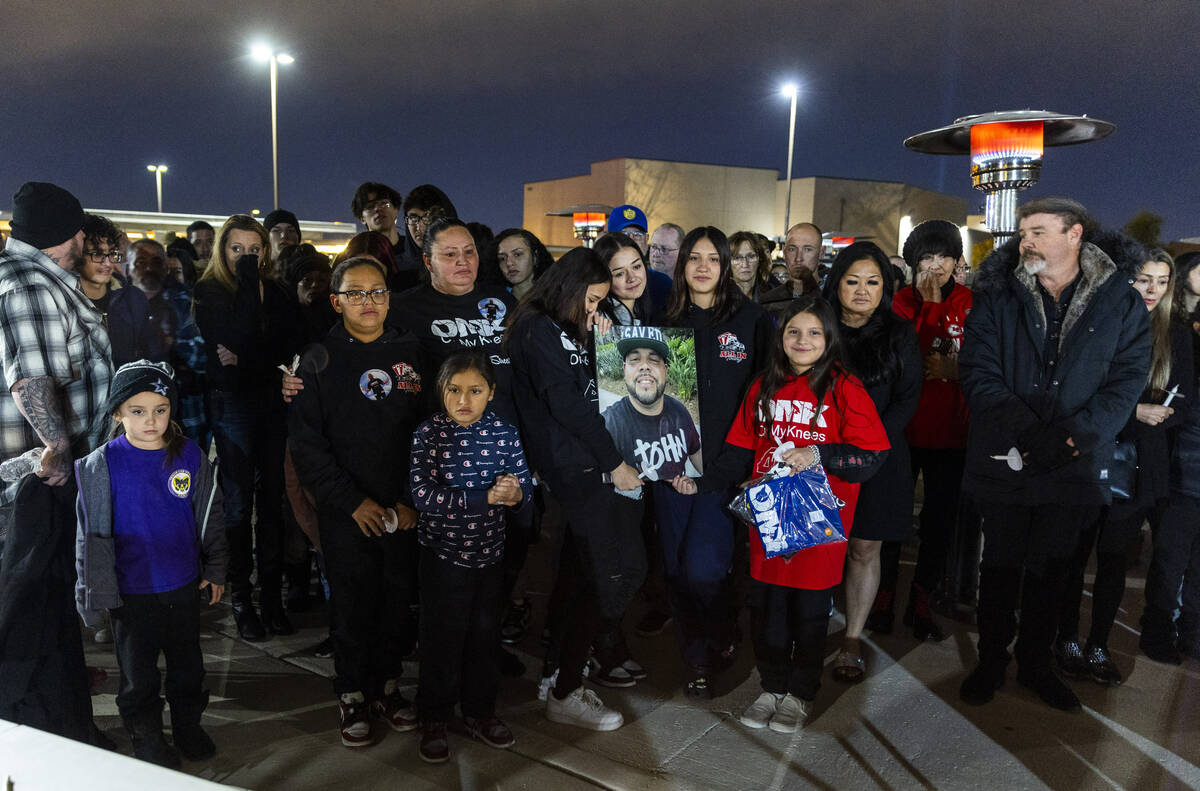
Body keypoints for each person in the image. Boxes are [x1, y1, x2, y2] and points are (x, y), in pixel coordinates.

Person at [958, 198, 1150, 712]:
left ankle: (1037, 665)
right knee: (999, 568)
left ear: (1075, 235)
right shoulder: (996, 294)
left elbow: (1126, 382)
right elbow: (978, 373)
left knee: (1053, 572)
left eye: (1039, 231)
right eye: (1024, 233)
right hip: (1006, 458)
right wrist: (1030, 433)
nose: (1027, 242)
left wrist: (1069, 438)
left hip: (1073, 466)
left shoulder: (1120, 301)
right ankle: (992, 659)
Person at [696, 296, 888, 732]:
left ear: (829, 339)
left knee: (809, 611)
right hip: (770, 519)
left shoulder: (844, 387)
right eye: (793, 332)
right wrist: (702, 479)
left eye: (813, 332)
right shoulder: (763, 385)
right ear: (780, 338)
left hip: (818, 522)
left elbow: (872, 455)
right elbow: (741, 448)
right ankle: (771, 687)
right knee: (767, 609)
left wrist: (817, 453)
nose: (803, 341)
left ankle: (800, 694)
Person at [288, 255, 426, 749]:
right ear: (336, 301)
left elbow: (431, 430)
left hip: (403, 507)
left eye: (377, 292)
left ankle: (387, 687)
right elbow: (307, 445)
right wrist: (351, 502)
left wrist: (411, 499)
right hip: (346, 509)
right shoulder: (317, 359)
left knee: (395, 599)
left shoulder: (412, 350)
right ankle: (350, 692)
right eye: (355, 293)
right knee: (351, 601)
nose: (368, 302)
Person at [505, 247, 644, 731]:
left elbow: (598, 388)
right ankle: (565, 690)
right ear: (568, 287)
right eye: (591, 300)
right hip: (577, 465)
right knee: (598, 575)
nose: (593, 310)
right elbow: (565, 402)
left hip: (583, 462)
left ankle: (560, 675)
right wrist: (616, 463)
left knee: (580, 575)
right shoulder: (536, 327)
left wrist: (602, 344)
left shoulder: (566, 327)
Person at [0, 182, 113, 746]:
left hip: (45, 475)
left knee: (47, 607)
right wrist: (59, 455)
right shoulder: (29, 284)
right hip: (38, 481)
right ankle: (39, 736)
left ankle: (63, 726)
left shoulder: (33, 278)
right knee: (31, 609)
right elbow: (31, 379)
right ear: (66, 235)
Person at [74, 360, 228, 768]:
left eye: (160, 409)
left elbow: (210, 515)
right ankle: (146, 737)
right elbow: (87, 536)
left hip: (182, 586)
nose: (151, 420)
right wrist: (89, 592)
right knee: (139, 677)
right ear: (117, 413)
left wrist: (215, 568)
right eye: (137, 411)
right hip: (131, 593)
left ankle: (187, 727)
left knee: (187, 669)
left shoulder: (190, 456)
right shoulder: (99, 465)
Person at [1054, 244, 1193, 679]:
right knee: (1073, 558)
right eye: (1143, 279)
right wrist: (1133, 411)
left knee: (1114, 561)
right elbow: (1077, 391)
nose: (1152, 290)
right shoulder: (1102, 322)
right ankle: (1065, 639)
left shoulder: (1178, 334)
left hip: (1138, 466)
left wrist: (1157, 413)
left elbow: (1185, 402)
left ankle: (1098, 645)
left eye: (1162, 281)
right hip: (1089, 455)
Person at [653, 226, 775, 696]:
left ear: (726, 267)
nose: (703, 267)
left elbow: (767, 397)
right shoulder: (664, 322)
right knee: (677, 569)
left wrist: (748, 467)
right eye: (694, 258)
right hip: (669, 464)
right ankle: (697, 658)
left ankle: (721, 636)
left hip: (725, 469)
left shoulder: (750, 321)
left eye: (713, 258)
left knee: (706, 569)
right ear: (682, 266)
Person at [409, 352, 533, 763]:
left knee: (484, 639)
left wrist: (515, 493)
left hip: (490, 558)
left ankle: (480, 712)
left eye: (475, 391)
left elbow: (524, 484)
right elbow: (422, 496)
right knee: (441, 639)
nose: (464, 399)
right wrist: (483, 498)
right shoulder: (430, 434)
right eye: (454, 390)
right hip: (442, 557)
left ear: (491, 393)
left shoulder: (504, 432)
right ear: (440, 391)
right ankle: (435, 717)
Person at [192, 214, 301, 641]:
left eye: (253, 250)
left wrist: (255, 363)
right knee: (238, 503)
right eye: (237, 250)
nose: (246, 257)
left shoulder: (277, 290)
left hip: (273, 403)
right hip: (232, 402)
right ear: (223, 251)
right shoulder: (209, 291)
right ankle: (242, 599)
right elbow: (231, 340)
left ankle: (270, 598)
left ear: (266, 249)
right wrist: (244, 282)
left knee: (273, 500)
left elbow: (288, 344)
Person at [821, 242, 922, 682]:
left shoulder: (900, 333)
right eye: (852, 281)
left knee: (864, 548)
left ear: (886, 287)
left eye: (873, 282)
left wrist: (867, 446)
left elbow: (907, 400)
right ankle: (806, 628)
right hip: (816, 455)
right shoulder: (815, 326)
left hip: (879, 457)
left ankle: (852, 640)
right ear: (837, 282)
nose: (862, 291)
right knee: (815, 547)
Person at [873, 220, 974, 638]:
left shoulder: (972, 302)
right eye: (926, 259)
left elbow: (984, 360)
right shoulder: (900, 302)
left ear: (956, 261)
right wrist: (930, 308)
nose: (935, 267)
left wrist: (957, 369)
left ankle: (921, 597)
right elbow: (905, 359)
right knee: (893, 516)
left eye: (943, 258)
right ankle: (883, 596)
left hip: (953, 433)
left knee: (939, 521)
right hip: (905, 430)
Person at [351, 182, 422, 292]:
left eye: (385, 203)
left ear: (396, 210)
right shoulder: (355, 254)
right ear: (362, 218)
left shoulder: (416, 250)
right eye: (370, 207)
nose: (378, 209)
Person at [608, 205, 671, 313]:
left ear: (646, 240)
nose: (631, 240)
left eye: (637, 234)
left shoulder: (663, 284)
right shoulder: (599, 286)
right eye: (624, 234)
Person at [759, 223, 823, 321]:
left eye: (808, 249)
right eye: (792, 249)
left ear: (821, 253)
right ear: (784, 252)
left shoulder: (833, 299)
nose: (798, 258)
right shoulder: (767, 302)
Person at [400, 184, 459, 280]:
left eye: (428, 218)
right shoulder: (394, 269)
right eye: (413, 218)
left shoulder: (467, 264)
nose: (419, 227)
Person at [479, 228, 554, 301]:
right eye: (502, 259)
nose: (509, 263)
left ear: (535, 257)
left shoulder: (554, 298)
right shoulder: (493, 300)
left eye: (517, 254)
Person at [595, 232, 654, 325]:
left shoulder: (650, 311)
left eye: (636, 267)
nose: (632, 278)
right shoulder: (598, 320)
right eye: (619, 274)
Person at [729, 231, 773, 300]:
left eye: (751, 256)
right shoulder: (717, 297)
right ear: (728, 262)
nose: (745, 264)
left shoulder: (772, 294)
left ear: (759, 259)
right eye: (737, 258)